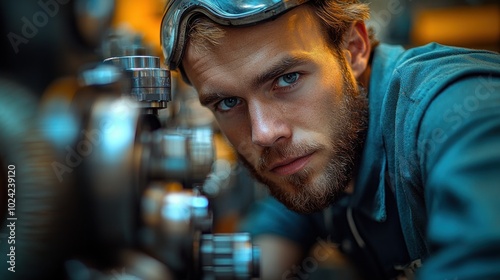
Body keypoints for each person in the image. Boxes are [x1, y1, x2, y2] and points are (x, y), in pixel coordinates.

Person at [160, 0, 500, 279]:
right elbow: (277, 228)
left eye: (287, 78)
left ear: (353, 50)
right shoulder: (319, 154)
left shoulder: (459, 112)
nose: (264, 133)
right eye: (228, 102)